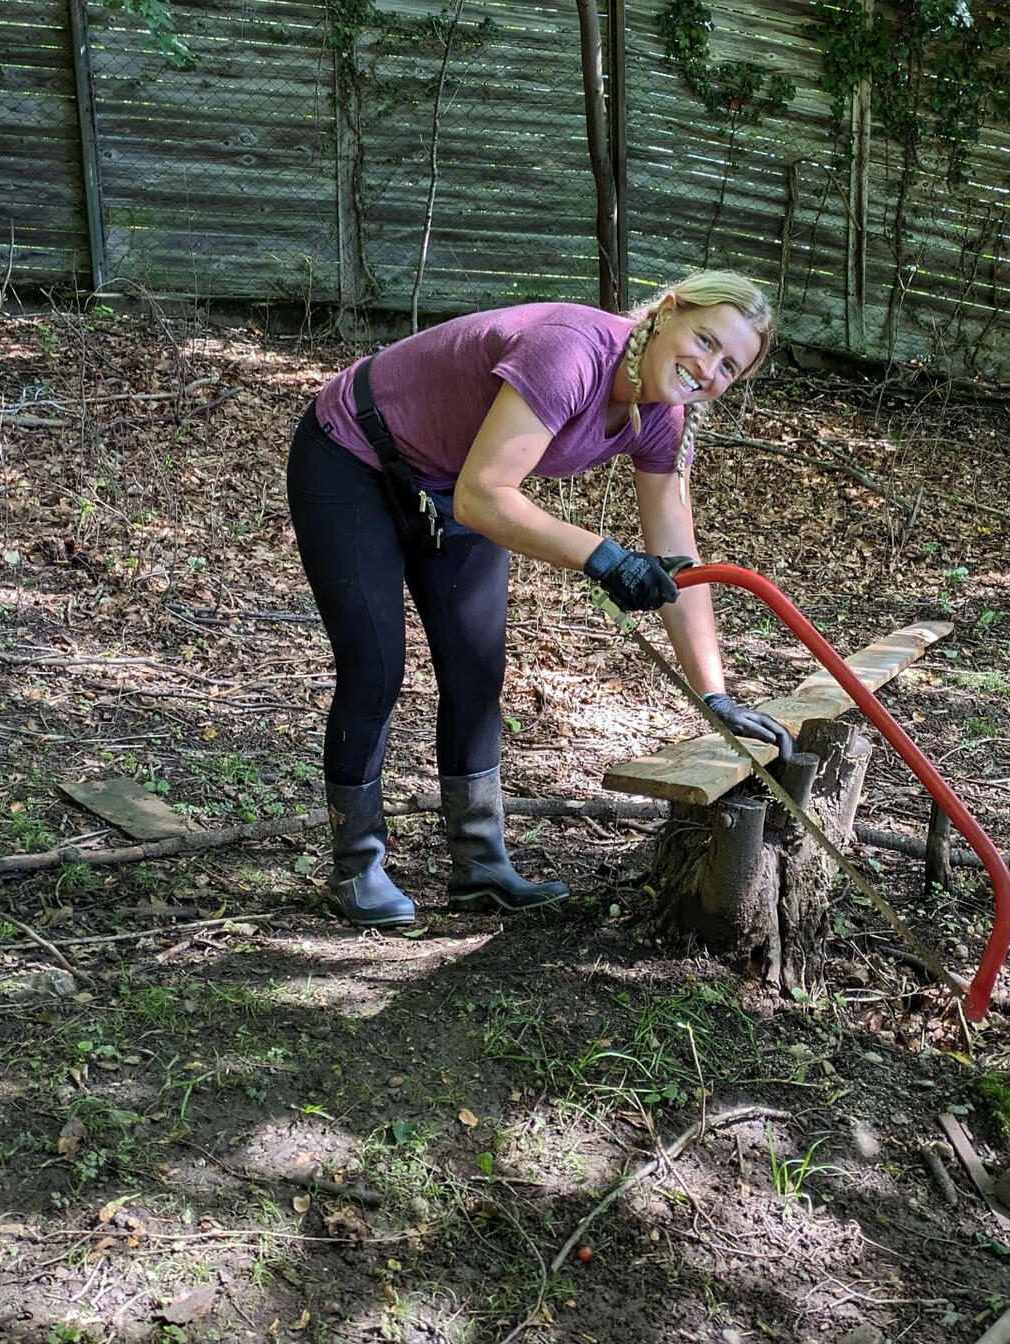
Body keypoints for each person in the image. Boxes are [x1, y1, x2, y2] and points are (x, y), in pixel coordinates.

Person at [285, 271, 796, 928]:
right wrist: (602, 556)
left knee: (476, 673)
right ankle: (356, 868)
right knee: (375, 667)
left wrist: (714, 694)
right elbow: (484, 496)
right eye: (705, 341)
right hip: (354, 454)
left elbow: (679, 563)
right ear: (667, 311)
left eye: (730, 367)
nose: (709, 368)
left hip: (452, 480)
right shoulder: (574, 352)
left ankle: (480, 868)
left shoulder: (664, 418)